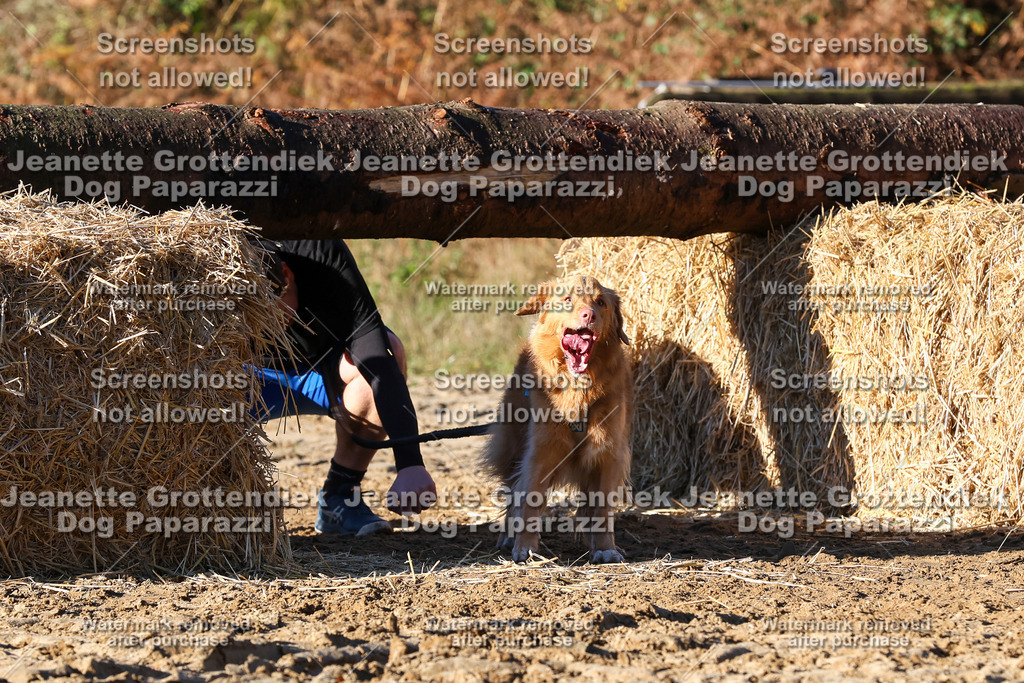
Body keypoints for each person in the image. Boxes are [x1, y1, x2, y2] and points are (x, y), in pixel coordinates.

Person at [253, 239, 436, 536]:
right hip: (247, 380)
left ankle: (340, 497)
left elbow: (375, 351)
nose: (267, 330)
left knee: (389, 347)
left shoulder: (320, 251)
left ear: (286, 275)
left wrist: (410, 463)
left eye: (269, 313)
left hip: (320, 370)